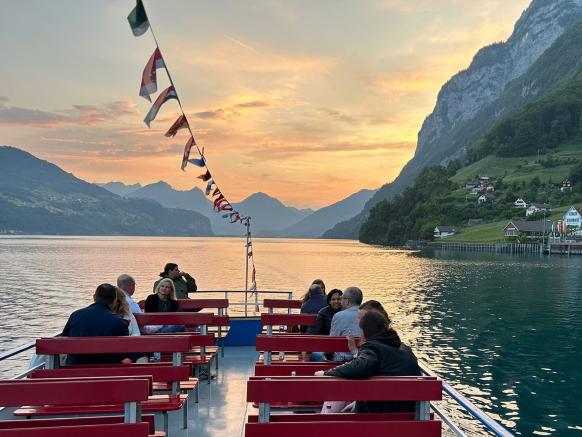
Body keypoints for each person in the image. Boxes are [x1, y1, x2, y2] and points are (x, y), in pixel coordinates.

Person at [320, 310, 422, 414]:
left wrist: (326, 373)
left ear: (365, 330)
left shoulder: (373, 347)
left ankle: (324, 424)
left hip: (384, 412)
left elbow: (359, 366)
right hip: (408, 411)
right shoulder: (402, 347)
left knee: (340, 388)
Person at [61, 283, 130, 365]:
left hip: (76, 369)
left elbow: (64, 340)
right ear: (114, 301)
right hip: (107, 371)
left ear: (94, 297)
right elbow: (123, 352)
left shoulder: (75, 315)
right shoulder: (119, 322)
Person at [329, 286, 363, 361]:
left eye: (342, 297)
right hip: (364, 357)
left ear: (347, 301)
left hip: (343, 359)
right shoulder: (368, 314)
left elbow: (332, 342)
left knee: (316, 355)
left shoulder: (338, 316)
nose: (340, 300)